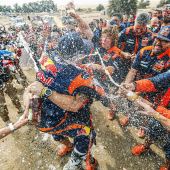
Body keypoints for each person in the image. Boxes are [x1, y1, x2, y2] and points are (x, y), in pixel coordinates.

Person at [23, 32, 116, 170]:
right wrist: (110, 101)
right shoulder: (79, 78)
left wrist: (30, 106)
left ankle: (68, 146)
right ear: (75, 56)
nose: (84, 56)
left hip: (44, 118)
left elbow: (33, 87)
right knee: (86, 133)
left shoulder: (46, 59)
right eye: (81, 54)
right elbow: (74, 105)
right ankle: (81, 161)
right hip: (64, 118)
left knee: (57, 134)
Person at [121, 71, 170, 170]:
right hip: (163, 110)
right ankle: (146, 146)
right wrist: (134, 85)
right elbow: (156, 81)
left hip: (162, 114)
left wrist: (155, 111)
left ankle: (168, 164)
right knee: (153, 127)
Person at [0, 50, 24, 123]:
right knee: (1, 104)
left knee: (14, 96)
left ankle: (20, 109)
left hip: (6, 80)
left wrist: (16, 54)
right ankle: (7, 121)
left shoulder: (1, 52)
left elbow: (14, 56)